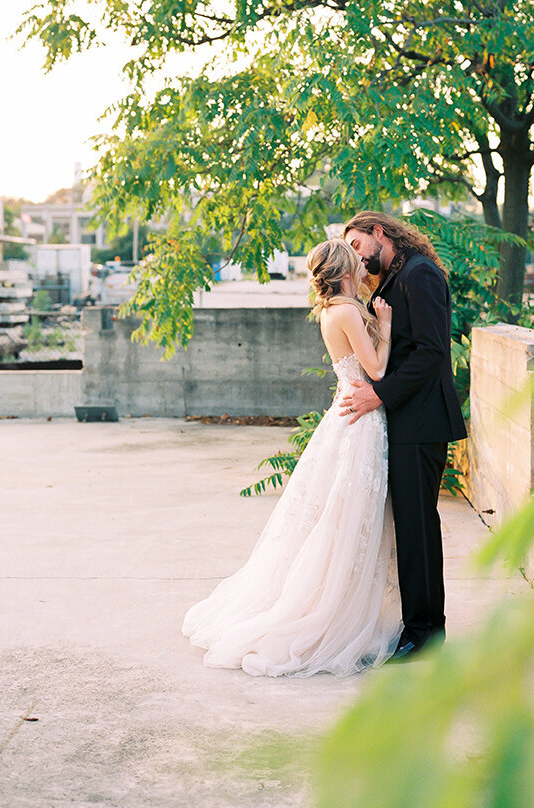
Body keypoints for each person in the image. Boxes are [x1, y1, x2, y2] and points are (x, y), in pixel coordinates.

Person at [182, 239, 403, 676]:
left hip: (347, 415)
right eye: (355, 258)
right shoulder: (346, 312)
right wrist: (388, 326)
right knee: (350, 517)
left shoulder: (332, 310)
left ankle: (340, 602)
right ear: (343, 270)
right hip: (359, 419)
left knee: (341, 516)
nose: (363, 262)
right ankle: (331, 612)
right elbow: (376, 370)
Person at [342, 211, 467, 659]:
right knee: (411, 528)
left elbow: (433, 351)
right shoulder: (398, 276)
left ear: (379, 232)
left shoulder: (421, 274)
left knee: (417, 529)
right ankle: (420, 628)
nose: (356, 257)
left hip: (422, 420)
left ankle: (426, 634)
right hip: (408, 419)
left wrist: (379, 395)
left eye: (357, 245)